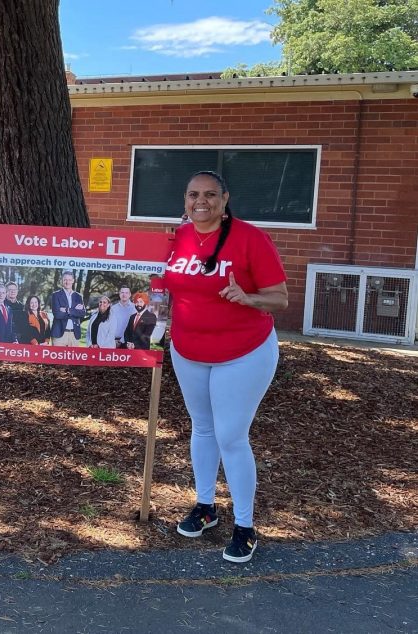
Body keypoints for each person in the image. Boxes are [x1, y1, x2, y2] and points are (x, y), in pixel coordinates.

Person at [165, 170, 288, 564]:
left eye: (211, 195)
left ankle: (245, 526)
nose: (201, 201)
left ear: (225, 198)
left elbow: (280, 299)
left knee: (231, 436)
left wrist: (247, 297)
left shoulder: (251, 238)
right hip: (188, 350)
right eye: (193, 194)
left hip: (244, 352)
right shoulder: (177, 237)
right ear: (185, 200)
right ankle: (205, 507)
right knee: (202, 427)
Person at [50, 270, 85, 346]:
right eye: (65, 280)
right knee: (57, 357)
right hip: (59, 334)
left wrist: (67, 310)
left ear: (73, 281)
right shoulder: (55, 295)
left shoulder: (78, 296)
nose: (67, 282)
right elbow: (57, 314)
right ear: (62, 281)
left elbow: (82, 313)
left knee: (73, 357)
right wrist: (75, 311)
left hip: (74, 334)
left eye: (69, 280)